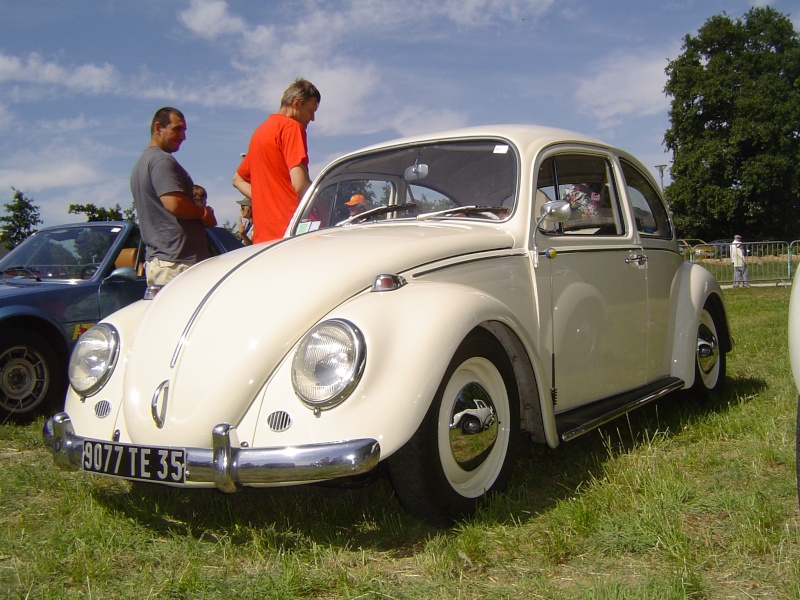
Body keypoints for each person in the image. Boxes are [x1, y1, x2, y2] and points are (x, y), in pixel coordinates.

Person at [131, 107, 217, 287]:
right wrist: (203, 214)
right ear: (158, 127)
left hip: (163, 263)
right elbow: (174, 204)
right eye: (177, 129)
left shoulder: (142, 163)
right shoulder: (162, 161)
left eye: (184, 130)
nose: (183, 136)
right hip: (176, 265)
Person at [232, 78, 321, 243]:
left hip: (263, 238)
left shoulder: (260, 133)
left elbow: (238, 180)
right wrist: (326, 205)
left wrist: (263, 199)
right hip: (292, 231)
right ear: (296, 103)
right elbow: (300, 184)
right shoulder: (291, 127)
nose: (312, 118)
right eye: (311, 110)